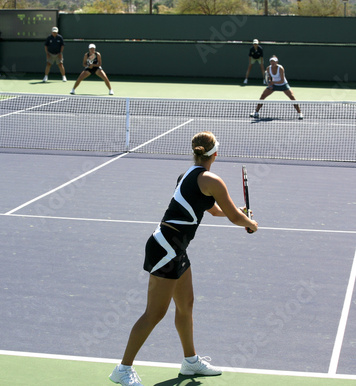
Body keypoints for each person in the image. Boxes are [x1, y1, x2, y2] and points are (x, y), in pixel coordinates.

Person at [109, 131, 258, 386]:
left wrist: (240, 214)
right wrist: (250, 223)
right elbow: (235, 218)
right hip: (166, 248)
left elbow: (213, 210)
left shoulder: (187, 175)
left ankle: (190, 362)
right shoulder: (213, 180)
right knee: (154, 313)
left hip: (175, 248)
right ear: (216, 154)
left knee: (186, 304)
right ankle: (123, 369)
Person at [250, 55, 303, 120]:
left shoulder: (280, 68)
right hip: (274, 85)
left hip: (283, 84)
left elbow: (282, 80)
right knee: (262, 96)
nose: (272, 63)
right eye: (271, 61)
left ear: (277, 62)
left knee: (292, 97)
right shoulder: (268, 68)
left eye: (274, 61)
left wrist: (273, 83)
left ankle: (300, 113)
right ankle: (256, 112)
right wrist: (270, 84)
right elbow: (269, 78)